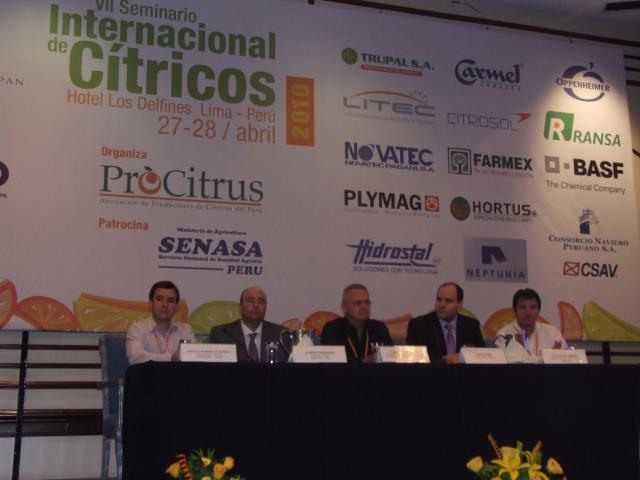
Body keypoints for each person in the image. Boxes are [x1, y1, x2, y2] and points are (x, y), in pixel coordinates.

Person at [406, 282, 484, 364]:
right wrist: (445, 360)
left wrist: (462, 358)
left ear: (460, 304)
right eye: (439, 300)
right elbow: (415, 359)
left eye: (448, 301)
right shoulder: (418, 325)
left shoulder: (471, 325)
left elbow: (482, 356)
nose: (442, 305)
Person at [209, 286, 288, 363]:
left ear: (266, 307)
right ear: (240, 307)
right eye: (250, 300)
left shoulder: (281, 335)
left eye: (261, 301)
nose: (256, 305)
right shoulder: (222, 334)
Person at [126, 280, 196, 365]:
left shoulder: (185, 330)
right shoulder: (137, 329)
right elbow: (135, 357)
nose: (165, 305)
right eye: (159, 299)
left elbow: (191, 356)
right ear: (151, 304)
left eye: (170, 300)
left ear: (176, 307)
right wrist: (170, 358)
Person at [320, 284, 392, 363]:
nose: (364, 307)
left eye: (367, 302)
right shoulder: (333, 329)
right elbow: (333, 361)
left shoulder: (379, 328)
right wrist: (364, 361)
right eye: (358, 303)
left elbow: (391, 358)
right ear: (344, 307)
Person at [496, 288, 567, 358]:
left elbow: (566, 357)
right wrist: (549, 357)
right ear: (515, 311)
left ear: (538, 311)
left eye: (533, 308)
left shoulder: (552, 333)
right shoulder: (504, 335)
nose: (528, 313)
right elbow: (514, 361)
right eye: (523, 307)